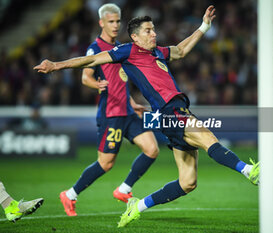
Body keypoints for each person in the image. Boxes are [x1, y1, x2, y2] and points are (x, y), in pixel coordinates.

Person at [34, 5, 260, 227]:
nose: (154, 33)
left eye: (154, 29)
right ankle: (250, 171)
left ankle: (138, 206)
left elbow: (180, 50)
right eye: (148, 31)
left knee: (188, 183)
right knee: (208, 138)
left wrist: (203, 26)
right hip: (170, 110)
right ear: (135, 36)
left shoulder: (157, 52)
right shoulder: (127, 51)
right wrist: (55, 66)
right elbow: (91, 60)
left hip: (172, 113)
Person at [58, 3, 160, 216]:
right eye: (111, 22)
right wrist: (97, 84)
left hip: (128, 112)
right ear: (101, 22)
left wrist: (131, 101)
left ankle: (124, 190)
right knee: (106, 164)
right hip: (110, 115)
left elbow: (121, 81)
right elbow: (85, 77)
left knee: (152, 149)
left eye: (118, 21)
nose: (115, 25)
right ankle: (70, 194)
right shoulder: (95, 48)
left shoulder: (121, 48)